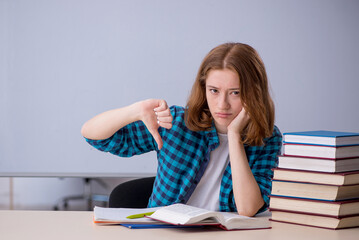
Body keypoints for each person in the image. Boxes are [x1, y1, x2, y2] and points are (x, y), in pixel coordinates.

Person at [81, 42, 282, 217]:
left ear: (254, 93)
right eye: (214, 91)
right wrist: (135, 111)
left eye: (235, 93)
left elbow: (248, 209)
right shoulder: (176, 123)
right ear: (204, 88)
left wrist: (234, 136)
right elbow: (92, 135)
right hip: (166, 233)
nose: (222, 104)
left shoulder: (268, 138)